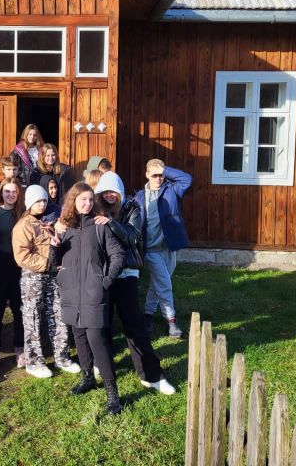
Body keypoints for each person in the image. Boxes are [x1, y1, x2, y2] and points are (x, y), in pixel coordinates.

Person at [94, 172, 176, 395]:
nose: (110, 195)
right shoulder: (94, 209)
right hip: (101, 274)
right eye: (105, 192)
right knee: (101, 322)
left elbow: (132, 236)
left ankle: (152, 375)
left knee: (134, 324)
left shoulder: (131, 208)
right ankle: (100, 364)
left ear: (120, 192)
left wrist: (111, 222)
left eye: (114, 191)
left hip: (126, 272)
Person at [50, 183, 126, 414]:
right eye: (83, 199)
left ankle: (112, 393)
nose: (87, 204)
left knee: (97, 339)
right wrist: (55, 247)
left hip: (94, 291)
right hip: (71, 291)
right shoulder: (65, 228)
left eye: (90, 200)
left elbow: (118, 255)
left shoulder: (100, 226)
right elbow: (54, 262)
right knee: (80, 336)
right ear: (73, 201)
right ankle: (87, 378)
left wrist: (106, 280)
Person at [11, 184, 80, 378]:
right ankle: (33, 362)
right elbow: (22, 256)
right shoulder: (23, 225)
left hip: (52, 276)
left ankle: (62, 356)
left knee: (58, 314)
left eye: (44, 200)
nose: (42, 204)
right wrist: (48, 263)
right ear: (29, 203)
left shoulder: (48, 222)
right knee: (32, 318)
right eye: (37, 201)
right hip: (33, 278)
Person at [133, 159, 193, 339]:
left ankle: (148, 315)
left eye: (161, 175)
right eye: (155, 175)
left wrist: (166, 170)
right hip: (151, 250)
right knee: (165, 285)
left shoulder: (172, 190)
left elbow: (187, 179)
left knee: (158, 283)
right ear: (147, 175)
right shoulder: (139, 197)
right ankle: (171, 322)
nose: (159, 178)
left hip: (169, 248)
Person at [0, 178, 25, 369]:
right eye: (7, 191)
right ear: (1, 192)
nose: (10, 195)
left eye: (14, 191)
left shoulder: (23, 214)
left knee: (20, 309)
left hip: (18, 266)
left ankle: (20, 348)